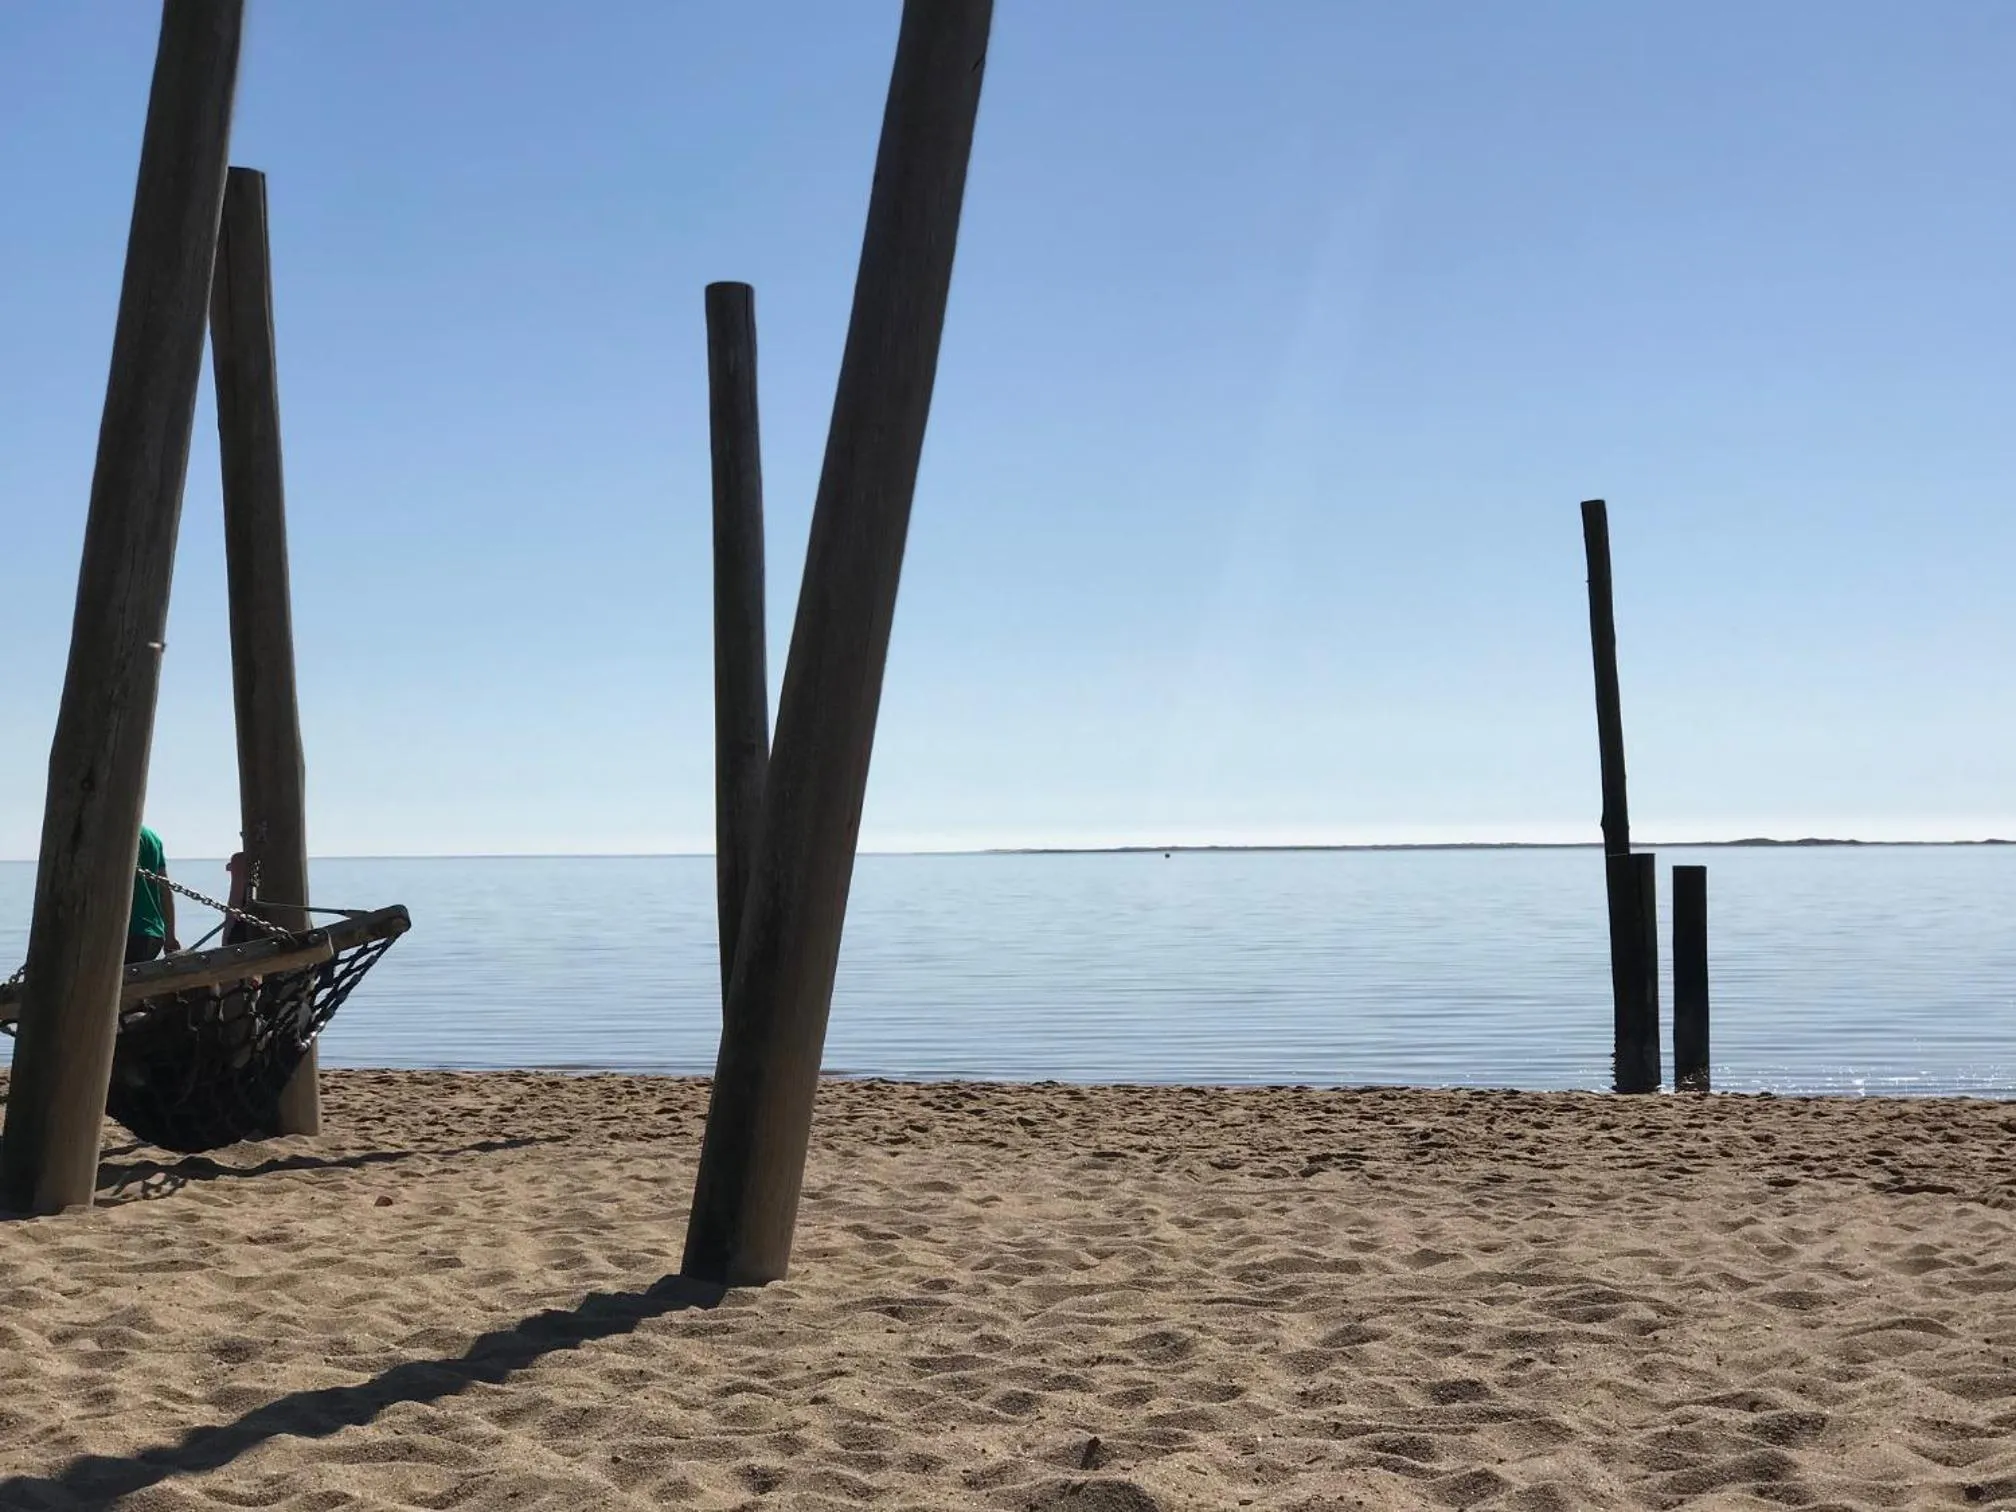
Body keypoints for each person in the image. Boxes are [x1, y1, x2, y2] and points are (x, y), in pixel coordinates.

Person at [127, 824, 180, 963]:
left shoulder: (107, 833)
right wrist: (170, 936)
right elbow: (165, 890)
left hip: (126, 932)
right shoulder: (152, 838)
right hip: (153, 934)